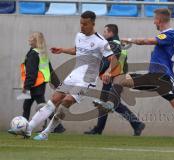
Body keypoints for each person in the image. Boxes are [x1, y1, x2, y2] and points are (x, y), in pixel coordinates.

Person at [97, 8, 174, 148]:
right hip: (151, 78)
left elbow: (146, 41)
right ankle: (111, 104)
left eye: (155, 19)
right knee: (119, 78)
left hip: (163, 80)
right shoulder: (164, 35)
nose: (154, 22)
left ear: (160, 20)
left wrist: (128, 39)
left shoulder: (171, 34)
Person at [8, 11, 118, 140]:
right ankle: (28, 129)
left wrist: (108, 72)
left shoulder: (101, 41)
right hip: (73, 75)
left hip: (86, 80)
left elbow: (114, 59)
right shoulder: (79, 36)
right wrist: (62, 50)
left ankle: (45, 133)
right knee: (54, 100)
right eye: (81, 23)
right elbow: (78, 50)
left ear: (93, 24)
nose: (82, 26)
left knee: (66, 101)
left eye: (85, 24)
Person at [84, 24, 145, 136]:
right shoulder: (119, 44)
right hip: (116, 76)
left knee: (112, 104)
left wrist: (104, 72)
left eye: (105, 32)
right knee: (104, 103)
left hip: (114, 77)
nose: (103, 34)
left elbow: (112, 60)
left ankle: (136, 123)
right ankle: (99, 129)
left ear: (111, 33)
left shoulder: (112, 44)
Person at [16, 32, 65, 133]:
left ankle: (58, 127)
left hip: (33, 85)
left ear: (35, 40)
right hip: (39, 85)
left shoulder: (33, 54)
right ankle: (22, 127)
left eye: (31, 38)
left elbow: (31, 72)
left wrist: (27, 87)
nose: (29, 39)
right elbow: (50, 71)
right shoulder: (41, 53)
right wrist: (58, 85)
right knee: (28, 106)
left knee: (42, 108)